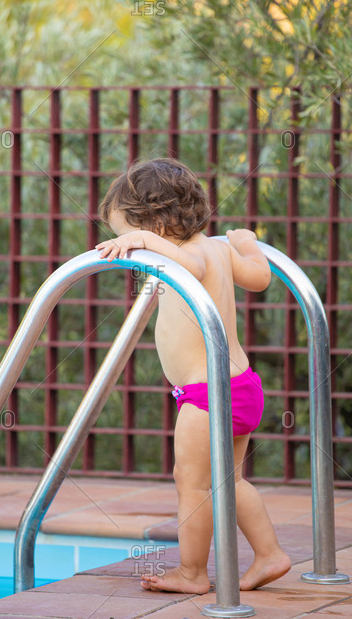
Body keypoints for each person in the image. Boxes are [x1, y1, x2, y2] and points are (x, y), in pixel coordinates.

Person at [96, 158, 291, 594]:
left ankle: (192, 573)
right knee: (230, 482)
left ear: (157, 223)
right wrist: (248, 243)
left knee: (192, 482)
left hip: (206, 396)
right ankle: (269, 555)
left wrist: (142, 240)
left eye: (127, 235)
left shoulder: (192, 257)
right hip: (240, 387)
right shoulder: (219, 249)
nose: (130, 248)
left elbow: (190, 266)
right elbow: (260, 278)